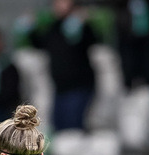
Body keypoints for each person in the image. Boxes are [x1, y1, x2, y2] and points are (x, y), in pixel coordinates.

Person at [27, 0, 98, 131]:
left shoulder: (80, 25)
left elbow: (93, 40)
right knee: (59, 127)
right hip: (60, 88)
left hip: (79, 86)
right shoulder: (55, 27)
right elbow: (40, 43)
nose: (57, 6)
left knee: (73, 128)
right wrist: (31, 28)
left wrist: (83, 25)